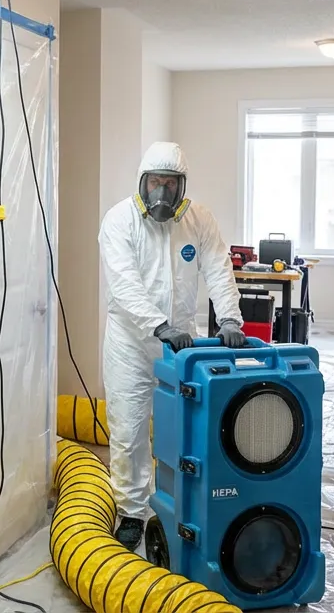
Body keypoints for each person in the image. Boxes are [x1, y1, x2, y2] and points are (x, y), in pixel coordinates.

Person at [99, 141, 247, 550]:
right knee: (129, 430)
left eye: (170, 184)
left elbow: (218, 269)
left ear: (182, 187)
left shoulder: (198, 220)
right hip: (132, 343)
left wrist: (231, 317)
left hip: (182, 345)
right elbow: (124, 282)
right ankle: (131, 511)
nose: (161, 193)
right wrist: (157, 325)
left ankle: (180, 504)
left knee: (183, 432)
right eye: (155, 183)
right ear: (142, 183)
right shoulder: (119, 221)